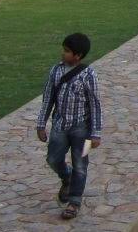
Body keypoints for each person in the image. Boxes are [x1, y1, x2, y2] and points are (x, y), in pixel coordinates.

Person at [36, 32, 103, 220]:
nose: (62, 54)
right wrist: (41, 124)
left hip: (83, 129)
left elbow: (95, 104)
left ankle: (74, 202)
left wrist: (96, 134)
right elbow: (48, 99)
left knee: (81, 165)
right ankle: (67, 176)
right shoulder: (56, 71)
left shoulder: (89, 74)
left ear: (78, 55)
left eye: (67, 51)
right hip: (60, 125)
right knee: (52, 159)